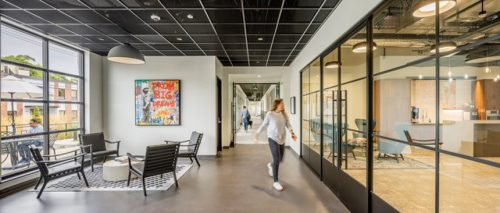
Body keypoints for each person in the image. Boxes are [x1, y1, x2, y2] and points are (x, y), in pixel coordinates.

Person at [255, 99, 297, 192]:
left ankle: (270, 165)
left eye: (283, 103)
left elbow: (288, 124)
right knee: (277, 159)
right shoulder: (270, 114)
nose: (283, 105)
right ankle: (276, 181)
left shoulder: (284, 114)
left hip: (282, 139)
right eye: (282, 104)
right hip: (272, 138)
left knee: (280, 159)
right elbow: (264, 125)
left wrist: (292, 133)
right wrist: (257, 133)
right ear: (277, 105)